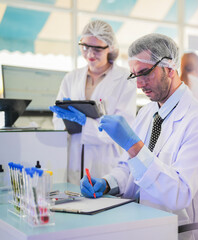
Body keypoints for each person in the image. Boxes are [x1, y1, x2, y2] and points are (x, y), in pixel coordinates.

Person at [80, 33, 198, 240]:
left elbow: (179, 194)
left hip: (177, 231)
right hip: (142, 223)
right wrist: (108, 183)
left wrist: (135, 146)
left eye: (145, 73)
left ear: (169, 68)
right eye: (134, 75)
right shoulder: (147, 113)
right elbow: (128, 168)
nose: (139, 84)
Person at [50, 20, 137, 184]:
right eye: (85, 46)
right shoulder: (71, 78)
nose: (90, 54)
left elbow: (123, 126)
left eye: (97, 49)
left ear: (110, 47)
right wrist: (65, 120)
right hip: (75, 158)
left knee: (104, 203)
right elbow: (57, 121)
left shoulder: (125, 79)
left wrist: (87, 123)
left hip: (105, 161)